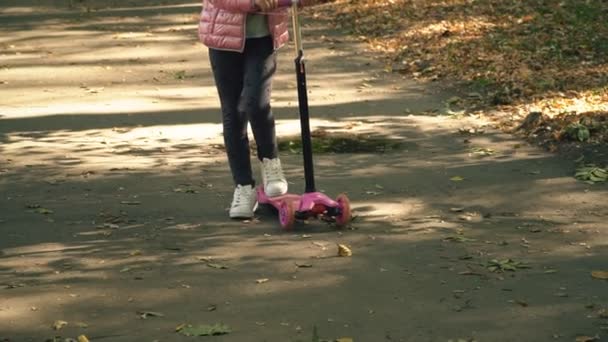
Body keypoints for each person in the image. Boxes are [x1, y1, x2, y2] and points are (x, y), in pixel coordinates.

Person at [198, 0, 318, 219]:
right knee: (234, 112)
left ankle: (270, 161)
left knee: (256, 102)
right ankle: (244, 187)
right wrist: (253, 3)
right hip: (223, 38)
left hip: (264, 38)